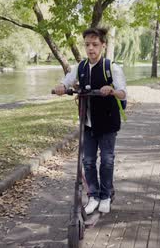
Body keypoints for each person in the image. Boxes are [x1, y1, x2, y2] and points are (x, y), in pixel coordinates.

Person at [53, 27, 127, 214]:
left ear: (103, 45)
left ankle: (106, 196)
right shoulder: (81, 67)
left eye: (95, 44)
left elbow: (123, 92)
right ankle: (93, 196)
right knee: (88, 161)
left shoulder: (111, 67)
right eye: (87, 45)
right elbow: (68, 80)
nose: (91, 48)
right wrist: (62, 86)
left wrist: (111, 91)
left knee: (107, 161)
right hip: (87, 123)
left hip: (108, 123)